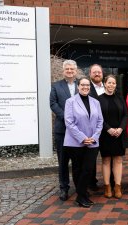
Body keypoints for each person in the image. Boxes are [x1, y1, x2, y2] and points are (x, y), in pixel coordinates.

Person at [63, 77, 103, 208]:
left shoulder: (95, 102)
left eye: (87, 85)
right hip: (75, 142)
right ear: (78, 86)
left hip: (92, 142)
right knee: (78, 169)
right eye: (83, 85)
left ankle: (81, 195)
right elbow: (69, 122)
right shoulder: (70, 102)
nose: (85, 87)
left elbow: (100, 121)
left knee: (88, 169)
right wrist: (82, 137)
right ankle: (81, 196)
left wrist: (94, 137)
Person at [49, 59, 78, 201]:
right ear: (63, 71)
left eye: (72, 69)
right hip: (62, 129)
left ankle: (80, 187)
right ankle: (64, 188)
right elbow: (53, 104)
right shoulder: (56, 86)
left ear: (76, 70)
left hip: (79, 130)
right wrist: (66, 118)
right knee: (63, 160)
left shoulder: (83, 85)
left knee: (78, 160)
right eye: (67, 69)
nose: (70, 71)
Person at [98, 75, 128, 199]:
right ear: (105, 84)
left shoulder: (120, 98)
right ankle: (107, 187)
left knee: (118, 160)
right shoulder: (98, 100)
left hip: (119, 134)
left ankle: (117, 186)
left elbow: (126, 115)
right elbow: (98, 117)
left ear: (116, 85)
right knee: (106, 160)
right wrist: (108, 129)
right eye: (109, 83)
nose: (111, 85)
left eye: (113, 83)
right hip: (105, 134)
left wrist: (120, 128)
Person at [87, 64, 104, 191]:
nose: (97, 74)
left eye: (99, 72)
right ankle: (91, 182)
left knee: (108, 156)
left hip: (108, 129)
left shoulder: (109, 86)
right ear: (90, 74)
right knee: (91, 158)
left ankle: (110, 181)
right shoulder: (87, 88)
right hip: (93, 129)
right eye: (94, 72)